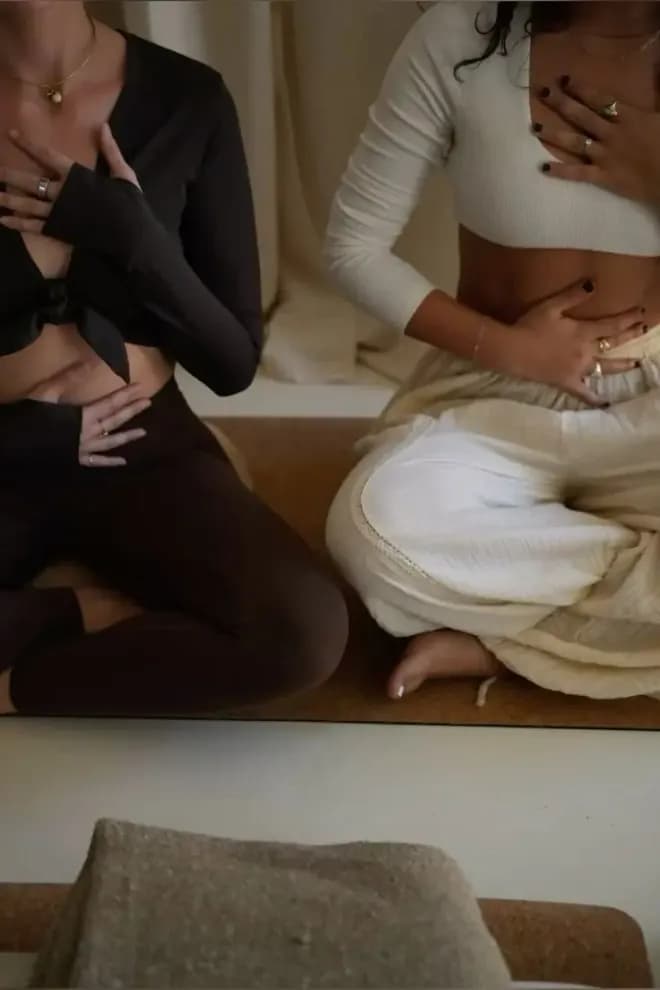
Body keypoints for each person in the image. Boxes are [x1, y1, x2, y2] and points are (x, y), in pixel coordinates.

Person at [0, 0, 348, 717]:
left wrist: (134, 238)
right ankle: (80, 610)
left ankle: (16, 687)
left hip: (137, 440)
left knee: (302, 630)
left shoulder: (187, 100)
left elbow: (231, 362)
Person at [325, 0, 660, 702]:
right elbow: (354, 248)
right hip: (491, 392)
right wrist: (508, 348)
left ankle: (504, 641)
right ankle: (616, 611)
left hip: (651, 408)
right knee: (373, 530)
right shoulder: (462, 33)